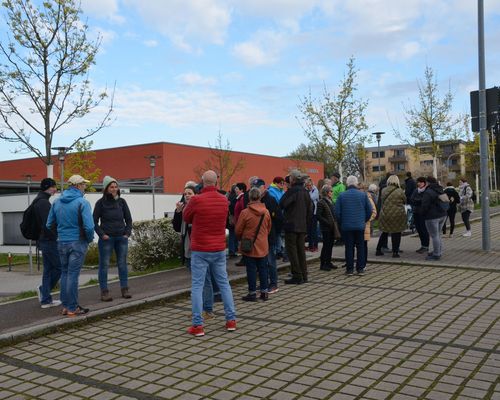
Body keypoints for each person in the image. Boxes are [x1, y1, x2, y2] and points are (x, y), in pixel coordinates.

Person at [183, 170, 237, 337]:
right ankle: (231, 320)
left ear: (202, 182)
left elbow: (186, 217)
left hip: (200, 249)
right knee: (224, 284)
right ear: (216, 181)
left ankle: (198, 325)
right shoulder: (224, 200)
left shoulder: (196, 200)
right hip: (219, 248)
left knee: (197, 286)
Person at [46, 175, 94, 317]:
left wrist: (61, 234)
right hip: (77, 242)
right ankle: (73, 308)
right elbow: (89, 226)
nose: (85, 187)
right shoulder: (82, 202)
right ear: (78, 186)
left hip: (62, 242)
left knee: (65, 273)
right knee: (73, 275)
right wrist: (89, 239)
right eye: (83, 185)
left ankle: (66, 306)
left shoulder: (57, 202)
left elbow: (49, 224)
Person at [93, 176, 133, 302]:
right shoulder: (100, 203)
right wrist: (102, 234)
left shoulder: (122, 202)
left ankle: (125, 289)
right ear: (106, 188)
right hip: (107, 239)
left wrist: (127, 233)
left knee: (122, 264)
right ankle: (104, 292)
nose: (114, 189)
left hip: (121, 238)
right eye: (111, 187)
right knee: (104, 265)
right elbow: (93, 221)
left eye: (116, 187)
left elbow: (129, 219)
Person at [235, 187, 271, 301]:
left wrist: (242, 238)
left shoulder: (245, 213)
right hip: (263, 244)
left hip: (249, 245)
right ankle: (264, 292)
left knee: (251, 270)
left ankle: (252, 293)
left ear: (249, 197)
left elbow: (238, 230)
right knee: (263, 269)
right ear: (260, 197)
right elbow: (268, 228)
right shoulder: (266, 212)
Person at [280, 170, 313, 285]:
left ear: (292, 180)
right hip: (302, 226)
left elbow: (282, 203)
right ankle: (304, 275)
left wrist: (288, 190)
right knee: (301, 251)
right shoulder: (305, 192)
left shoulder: (292, 191)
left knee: (292, 251)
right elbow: (310, 209)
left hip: (291, 226)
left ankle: (297, 275)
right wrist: (306, 223)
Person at [335, 176, 373, 276]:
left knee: (349, 247)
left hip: (346, 226)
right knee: (360, 247)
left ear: (347, 184)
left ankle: (350, 270)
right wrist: (363, 220)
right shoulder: (363, 195)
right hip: (360, 226)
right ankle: (360, 269)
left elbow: (337, 213)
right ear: (356, 184)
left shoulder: (341, 195)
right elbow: (369, 210)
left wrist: (342, 222)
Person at [251, 178, 283, 294]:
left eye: (258, 187)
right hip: (260, 237)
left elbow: (279, 218)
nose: (256, 190)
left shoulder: (270, 200)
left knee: (270, 261)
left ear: (263, 187)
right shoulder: (256, 201)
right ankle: (264, 283)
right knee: (262, 262)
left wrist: (275, 232)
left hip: (269, 235)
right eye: (254, 187)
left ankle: (273, 283)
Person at [34, 178, 62, 309]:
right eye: (53, 187)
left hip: (43, 240)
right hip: (48, 240)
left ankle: (46, 300)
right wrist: (56, 237)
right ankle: (44, 292)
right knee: (59, 267)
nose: (55, 189)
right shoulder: (44, 203)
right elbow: (48, 225)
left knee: (48, 270)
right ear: (47, 187)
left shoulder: (39, 200)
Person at [375, 175, 407, 258]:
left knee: (384, 232)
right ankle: (395, 252)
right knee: (396, 233)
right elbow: (405, 201)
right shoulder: (400, 191)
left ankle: (378, 250)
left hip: (385, 214)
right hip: (397, 215)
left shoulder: (383, 190)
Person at [421, 176, 447, 260]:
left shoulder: (428, 192)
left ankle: (436, 254)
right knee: (438, 234)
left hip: (432, 216)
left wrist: (422, 214)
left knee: (434, 235)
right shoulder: (440, 189)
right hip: (442, 214)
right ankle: (438, 251)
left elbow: (425, 205)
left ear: (427, 182)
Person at [316, 185, 339, 271]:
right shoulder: (321, 202)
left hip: (332, 227)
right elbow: (318, 215)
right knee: (326, 245)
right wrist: (327, 222)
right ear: (326, 192)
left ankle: (328, 262)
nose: (332, 193)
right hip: (326, 228)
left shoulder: (330, 201)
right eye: (331, 191)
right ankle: (323, 264)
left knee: (330, 245)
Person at [410, 177, 430, 254]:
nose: (419, 183)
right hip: (416, 212)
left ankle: (426, 246)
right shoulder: (416, 190)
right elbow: (412, 199)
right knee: (419, 229)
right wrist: (418, 201)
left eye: (421, 182)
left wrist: (417, 201)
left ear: (424, 183)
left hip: (423, 213)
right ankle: (422, 245)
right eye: (418, 182)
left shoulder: (426, 190)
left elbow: (424, 201)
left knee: (424, 229)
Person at [305, 178, 319, 252]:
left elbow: (311, 198)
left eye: (310, 185)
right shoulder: (307, 190)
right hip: (308, 213)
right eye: (307, 185)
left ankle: (315, 245)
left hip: (314, 213)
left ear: (312, 184)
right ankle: (310, 245)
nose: (309, 187)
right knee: (309, 230)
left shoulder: (315, 190)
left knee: (314, 230)